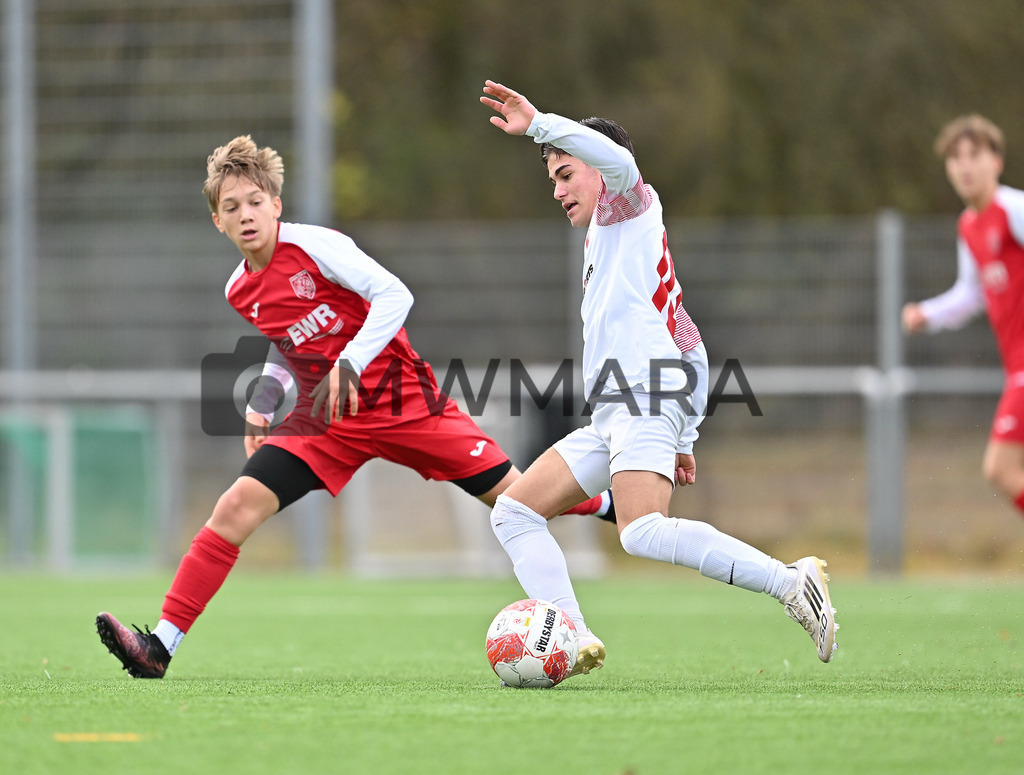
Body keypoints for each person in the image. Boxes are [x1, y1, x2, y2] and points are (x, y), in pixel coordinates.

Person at [95, 135, 612, 679]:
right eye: (231, 208)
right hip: (329, 422)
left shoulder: (316, 247)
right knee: (235, 507)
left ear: (275, 205)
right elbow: (288, 341)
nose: (245, 215)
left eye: (254, 201)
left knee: (518, 496)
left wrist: (351, 361)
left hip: (407, 405)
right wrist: (264, 401)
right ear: (218, 223)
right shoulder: (239, 289)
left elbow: (395, 294)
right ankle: (161, 648)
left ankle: (605, 505)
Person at [479, 80, 838, 676]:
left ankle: (791, 582)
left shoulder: (627, 203)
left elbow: (619, 161)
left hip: (645, 395)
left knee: (641, 530)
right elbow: (688, 337)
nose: (559, 189)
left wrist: (541, 123)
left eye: (567, 173)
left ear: (598, 166)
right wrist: (685, 437)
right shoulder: (607, 235)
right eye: (553, 179)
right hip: (621, 409)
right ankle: (574, 632)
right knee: (513, 512)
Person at [903, 114, 1024, 517]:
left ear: (997, 161)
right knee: (1002, 470)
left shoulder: (1013, 209)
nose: (965, 165)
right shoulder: (970, 226)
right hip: (1016, 368)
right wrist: (928, 314)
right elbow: (972, 294)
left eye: (975, 154)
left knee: (1001, 468)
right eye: (956, 158)